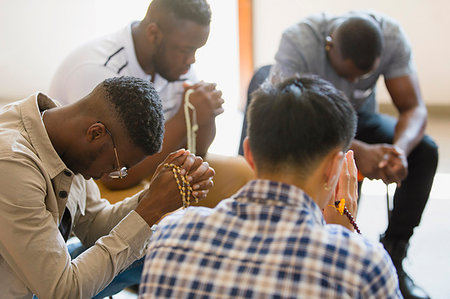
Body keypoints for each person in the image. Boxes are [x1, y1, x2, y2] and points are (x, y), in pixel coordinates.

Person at [138, 75, 402, 298]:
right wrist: (342, 239)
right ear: (335, 167)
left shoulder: (169, 236)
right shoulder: (364, 265)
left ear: (249, 153)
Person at [269, 11, 438, 299]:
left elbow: (414, 107)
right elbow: (287, 117)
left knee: (425, 151)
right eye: (348, 75)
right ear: (329, 46)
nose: (356, 82)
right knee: (325, 160)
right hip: (306, 122)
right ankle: (318, 253)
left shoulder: (392, 37)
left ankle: (394, 251)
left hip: (358, 119)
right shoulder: (299, 41)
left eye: (364, 77)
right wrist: (355, 150)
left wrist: (399, 151)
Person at [0, 76, 214, 299]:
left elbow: (93, 225)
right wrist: (149, 210)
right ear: (96, 133)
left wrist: (151, 197)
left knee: (165, 244)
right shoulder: (11, 164)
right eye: (114, 166)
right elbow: (63, 292)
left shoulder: (63, 135)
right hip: (37, 289)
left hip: (47, 280)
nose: (107, 176)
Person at [48, 0, 254, 207]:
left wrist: (205, 115)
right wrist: (185, 119)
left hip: (153, 169)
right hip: (92, 182)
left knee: (244, 173)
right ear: (154, 34)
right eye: (186, 50)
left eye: (196, 50)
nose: (191, 60)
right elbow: (116, 175)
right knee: (169, 214)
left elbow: (197, 150)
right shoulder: (98, 68)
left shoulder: (175, 64)